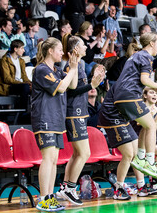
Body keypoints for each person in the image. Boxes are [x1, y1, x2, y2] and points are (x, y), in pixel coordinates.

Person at [98, 32, 157, 200]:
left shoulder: (136, 56)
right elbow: (144, 79)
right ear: (151, 43)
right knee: (150, 126)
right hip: (124, 99)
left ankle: (141, 161)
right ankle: (148, 162)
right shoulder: (146, 57)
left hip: (122, 98)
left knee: (140, 135)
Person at [56, 35, 105, 205]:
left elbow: (79, 88)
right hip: (74, 112)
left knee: (77, 154)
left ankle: (65, 188)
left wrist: (93, 82)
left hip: (79, 112)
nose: (86, 47)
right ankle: (70, 188)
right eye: (83, 45)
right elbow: (70, 91)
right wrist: (91, 85)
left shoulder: (81, 65)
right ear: (76, 49)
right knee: (85, 153)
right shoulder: (71, 65)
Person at [32, 37, 78, 211]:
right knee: (48, 159)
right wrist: (73, 68)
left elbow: (72, 84)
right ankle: (43, 198)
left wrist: (76, 64)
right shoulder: (41, 70)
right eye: (59, 50)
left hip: (57, 120)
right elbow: (60, 87)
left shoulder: (57, 70)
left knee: (54, 161)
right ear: (50, 51)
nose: (62, 53)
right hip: (45, 119)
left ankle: (49, 197)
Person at [0, 40, 31, 109]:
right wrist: (22, 83)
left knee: (35, 87)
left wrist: (30, 83)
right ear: (15, 49)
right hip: (9, 86)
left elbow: (24, 76)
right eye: (21, 48)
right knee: (25, 87)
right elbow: (7, 79)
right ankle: (23, 111)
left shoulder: (21, 61)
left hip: (20, 84)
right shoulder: (5, 60)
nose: (23, 50)